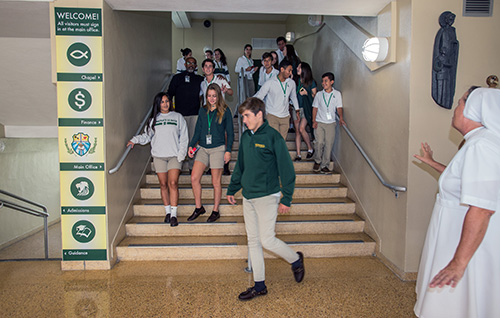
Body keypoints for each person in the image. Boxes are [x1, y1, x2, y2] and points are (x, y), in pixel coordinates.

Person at [413, 87, 500, 318]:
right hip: (452, 237)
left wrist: (458, 263)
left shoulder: (482, 145)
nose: (456, 107)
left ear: (474, 109)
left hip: (463, 244)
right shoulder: (476, 143)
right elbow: (463, 182)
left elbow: (482, 208)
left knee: (457, 302)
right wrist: (433, 163)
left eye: (461, 102)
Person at [227, 97, 305, 301]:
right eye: (242, 116)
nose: (244, 120)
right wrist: (232, 188)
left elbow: (287, 170)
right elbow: (240, 166)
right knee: (253, 240)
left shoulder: (273, 137)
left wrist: (286, 198)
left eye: (246, 116)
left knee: (266, 239)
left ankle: (296, 260)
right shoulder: (245, 138)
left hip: (268, 196)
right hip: (248, 196)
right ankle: (259, 285)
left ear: (259, 114)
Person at [127, 92, 188, 227]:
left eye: (167, 101)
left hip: (174, 156)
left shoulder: (178, 117)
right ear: (158, 104)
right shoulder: (153, 120)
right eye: (162, 102)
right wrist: (134, 140)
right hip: (159, 156)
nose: (165, 104)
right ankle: (167, 212)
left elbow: (184, 137)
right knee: (163, 184)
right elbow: (147, 137)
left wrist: (181, 155)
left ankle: (173, 215)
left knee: (173, 183)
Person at [187, 83, 234, 223]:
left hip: (218, 149)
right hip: (202, 148)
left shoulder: (225, 111)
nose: (212, 99)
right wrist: (191, 146)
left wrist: (228, 150)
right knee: (194, 178)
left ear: (219, 96)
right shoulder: (202, 111)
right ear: (206, 96)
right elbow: (197, 132)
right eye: (209, 96)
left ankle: (215, 210)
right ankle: (199, 207)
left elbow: (230, 134)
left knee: (216, 181)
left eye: (214, 96)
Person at [167, 56, 204, 171]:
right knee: (179, 140)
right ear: (185, 64)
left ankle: (192, 167)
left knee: (193, 141)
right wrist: (170, 110)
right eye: (189, 63)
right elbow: (169, 94)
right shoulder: (177, 78)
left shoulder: (199, 79)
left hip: (194, 114)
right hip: (179, 115)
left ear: (196, 66)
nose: (191, 65)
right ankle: (178, 165)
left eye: (193, 63)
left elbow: (206, 90)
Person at [254, 59, 300, 141]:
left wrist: (297, 110)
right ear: (282, 69)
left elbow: (293, 97)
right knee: (274, 140)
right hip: (272, 116)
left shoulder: (291, 83)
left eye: (291, 71)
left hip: (285, 117)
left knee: (281, 142)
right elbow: (259, 96)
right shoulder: (270, 82)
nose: (290, 73)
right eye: (289, 70)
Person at [312, 72, 345, 174]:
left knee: (328, 144)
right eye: (322, 81)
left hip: (331, 123)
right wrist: (314, 121)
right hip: (319, 122)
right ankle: (317, 160)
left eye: (326, 81)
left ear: (332, 82)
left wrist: (341, 118)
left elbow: (339, 107)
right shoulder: (319, 94)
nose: (323, 83)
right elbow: (315, 108)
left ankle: (324, 165)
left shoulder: (337, 94)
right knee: (319, 142)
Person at [293, 62, 316, 161]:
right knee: (297, 131)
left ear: (304, 70)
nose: (297, 68)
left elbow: (315, 97)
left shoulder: (311, 82)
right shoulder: (297, 80)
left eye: (299, 67)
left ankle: (310, 148)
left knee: (302, 128)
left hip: (306, 108)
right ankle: (298, 154)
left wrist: (307, 93)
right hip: (296, 108)